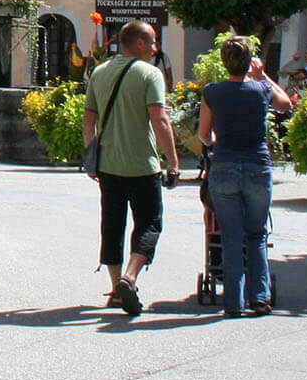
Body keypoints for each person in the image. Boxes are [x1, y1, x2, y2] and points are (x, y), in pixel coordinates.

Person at [82, 20, 179, 315]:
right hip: (142, 165)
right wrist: (173, 162)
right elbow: (159, 120)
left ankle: (115, 290)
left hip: (109, 165)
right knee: (150, 223)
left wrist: (91, 156)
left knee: (112, 226)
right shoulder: (150, 74)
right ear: (138, 43)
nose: (155, 48)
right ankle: (130, 276)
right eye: (151, 42)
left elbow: (88, 118)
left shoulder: (99, 72)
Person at [198, 37, 294, 317]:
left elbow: (204, 135)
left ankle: (233, 303)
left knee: (230, 235)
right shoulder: (261, 89)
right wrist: (262, 75)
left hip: (225, 164)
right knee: (256, 234)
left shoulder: (212, 92)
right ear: (250, 60)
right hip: (256, 165)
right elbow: (286, 104)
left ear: (224, 62)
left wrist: (214, 140)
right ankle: (260, 297)